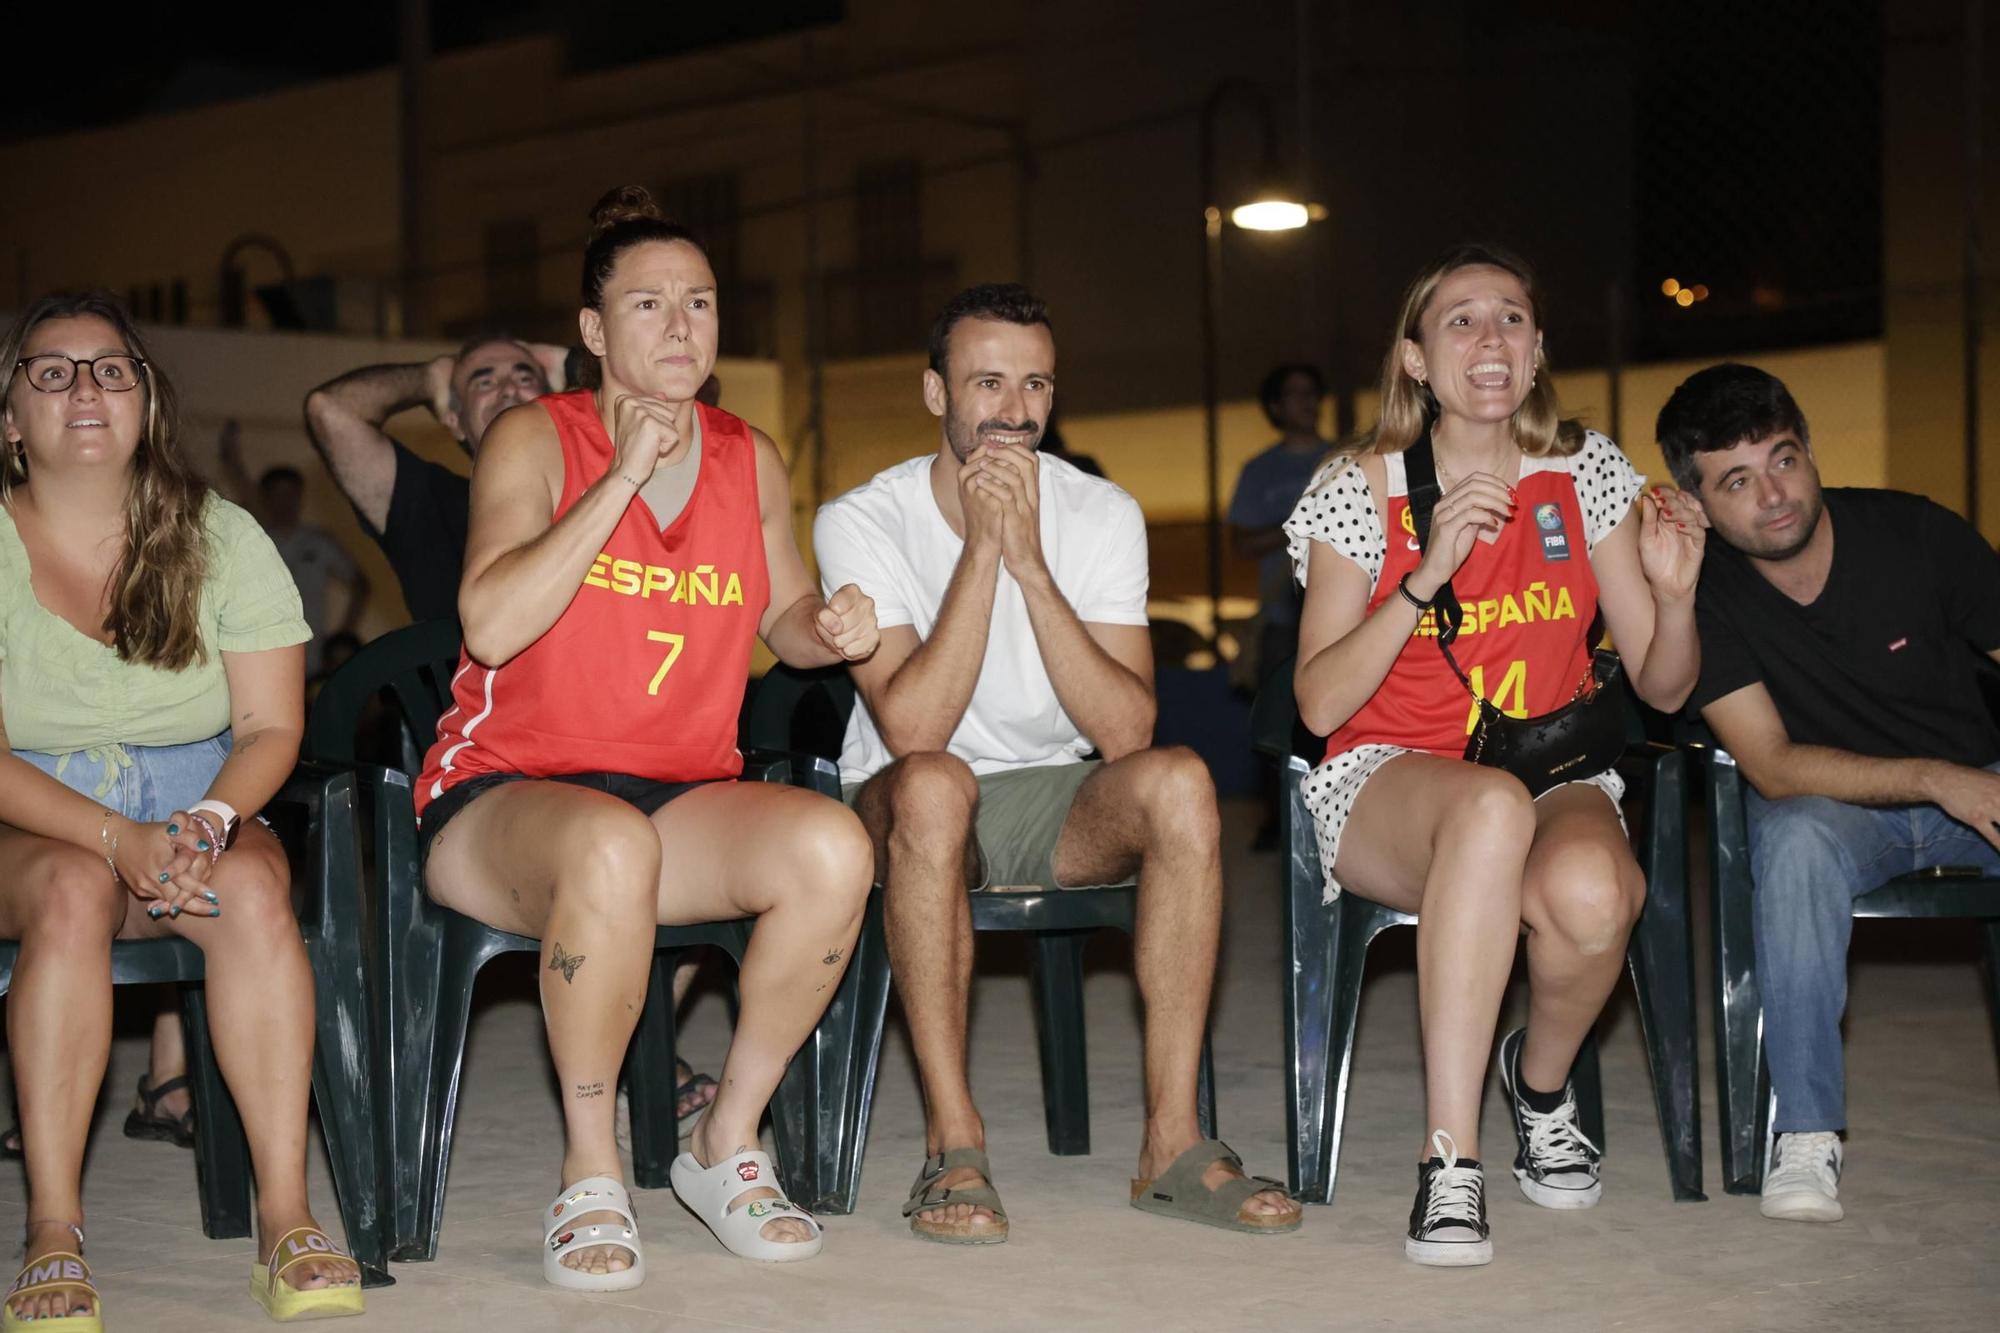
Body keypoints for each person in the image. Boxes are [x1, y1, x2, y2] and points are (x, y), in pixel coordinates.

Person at [414, 186, 877, 1283]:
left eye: (701, 303)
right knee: (606, 844)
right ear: (593, 332)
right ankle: (591, 1165)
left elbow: (783, 621)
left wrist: (829, 624)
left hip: (676, 795)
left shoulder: (747, 455)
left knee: (834, 847)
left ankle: (724, 1141)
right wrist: (620, 475)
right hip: (501, 796)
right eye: (649, 304)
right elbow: (489, 621)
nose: (681, 327)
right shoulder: (536, 437)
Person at [814, 283, 1302, 1246]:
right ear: (935, 393)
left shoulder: (1100, 512)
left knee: (1180, 782)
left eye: (1034, 383)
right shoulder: (859, 519)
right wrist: (982, 553)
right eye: (986, 381)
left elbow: (1127, 731)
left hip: (1048, 794)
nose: (1013, 409)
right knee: (936, 782)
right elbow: (914, 729)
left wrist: (1030, 560)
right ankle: (954, 1142)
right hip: (901, 802)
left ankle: (1172, 1142)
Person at [1284, 245, 1705, 1267]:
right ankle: (1450, 1160)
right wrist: (1425, 571)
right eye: (1460, 320)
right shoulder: (1361, 485)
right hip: (1387, 776)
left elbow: (1659, 687)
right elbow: (1315, 699)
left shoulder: (1582, 470)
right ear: (1416, 359)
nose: (1489, 338)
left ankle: (1541, 1084)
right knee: (1482, 810)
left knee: (1596, 894)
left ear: (1536, 348)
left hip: (1548, 767)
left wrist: (1677, 592)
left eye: (1510, 318)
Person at [0, 291, 363, 1323]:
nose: (85, 387)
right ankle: (55, 1227)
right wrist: (114, 835)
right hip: (34, 819)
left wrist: (205, 823)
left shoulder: (222, 533)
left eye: (113, 369)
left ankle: (285, 1217)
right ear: (9, 418)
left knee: (250, 890)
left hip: (197, 800)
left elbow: (270, 732)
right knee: (72, 891)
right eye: (52, 369)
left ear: (147, 403)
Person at [305, 339, 720, 1125]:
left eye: (524, 375)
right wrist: (431, 375)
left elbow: (699, 415)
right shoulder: (427, 500)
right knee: (613, 838)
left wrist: (576, 371)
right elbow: (330, 410)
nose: (506, 386)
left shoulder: (621, 483)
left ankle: (628, 1037)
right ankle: (618, 1070)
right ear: (452, 416)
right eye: (481, 381)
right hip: (482, 776)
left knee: (710, 829)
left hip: (613, 751)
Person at [1661, 363, 2000, 1225]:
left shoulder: (1915, 533)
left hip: (1981, 791)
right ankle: (1806, 1134)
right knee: (1796, 840)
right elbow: (1770, 765)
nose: (1773, 494)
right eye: (1737, 480)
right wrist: (1932, 778)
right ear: (1698, 503)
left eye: (1783, 459)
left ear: (1810, 451)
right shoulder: (1704, 597)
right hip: (1847, 814)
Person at [217, 426, 369, 675]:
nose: (284, 503)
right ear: (265, 497)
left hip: (313, 656)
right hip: (262, 655)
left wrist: (344, 632)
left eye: (290, 495)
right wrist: (230, 455)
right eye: (277, 495)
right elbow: (242, 487)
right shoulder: (255, 537)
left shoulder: (318, 541)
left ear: (300, 496)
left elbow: (361, 584)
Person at [1232, 363, 1332, 681]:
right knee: (1280, 715)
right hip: (1282, 618)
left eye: (1311, 393)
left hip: (1343, 609)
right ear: (1276, 406)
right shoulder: (1259, 470)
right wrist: (1302, 525)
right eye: (1295, 394)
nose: (1307, 402)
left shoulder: (1346, 458)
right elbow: (1243, 544)